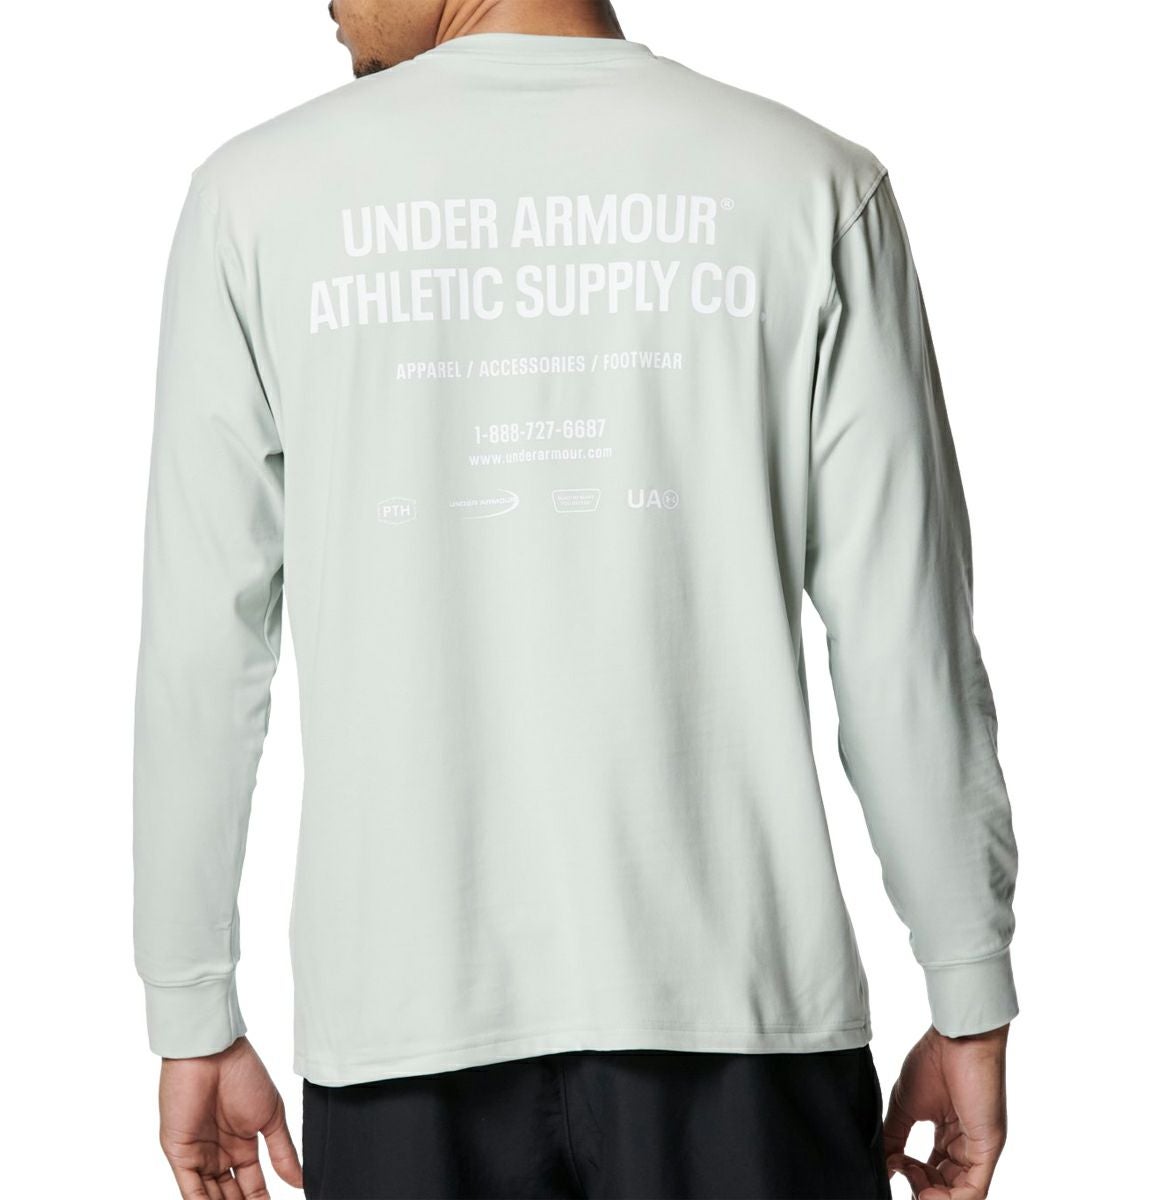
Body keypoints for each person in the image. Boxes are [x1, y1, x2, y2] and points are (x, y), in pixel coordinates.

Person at [132, 1, 1020, 1196]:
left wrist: (193, 1009)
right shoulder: (807, 188)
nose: (324, 1)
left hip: (401, 1032)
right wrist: (967, 989)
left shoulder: (255, 202)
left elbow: (202, 649)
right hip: (743, 1025)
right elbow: (906, 644)